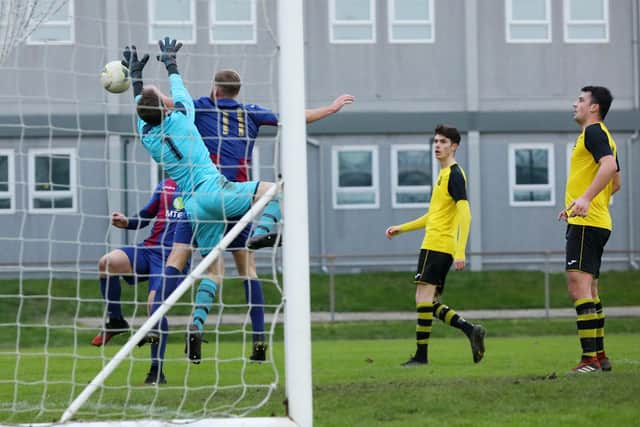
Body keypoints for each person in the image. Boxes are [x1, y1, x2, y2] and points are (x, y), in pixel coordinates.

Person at [164, 69, 354, 362]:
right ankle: (259, 343)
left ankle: (191, 323)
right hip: (240, 199)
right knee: (248, 272)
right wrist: (330, 108)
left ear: (215, 89)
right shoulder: (250, 113)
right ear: (237, 91)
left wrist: (146, 87)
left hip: (203, 196)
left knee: (208, 270)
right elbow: (293, 117)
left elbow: (168, 104)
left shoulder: (200, 106)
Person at [121, 37, 283, 366]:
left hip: (191, 205)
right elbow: (177, 91)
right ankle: (265, 229)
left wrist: (136, 81)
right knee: (278, 189)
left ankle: (182, 324)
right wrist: (170, 63)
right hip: (216, 191)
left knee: (211, 270)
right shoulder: (182, 116)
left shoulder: (146, 135)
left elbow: (143, 111)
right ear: (166, 108)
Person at [385, 124, 486, 366]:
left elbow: (466, 213)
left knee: (423, 298)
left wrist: (461, 251)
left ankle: (422, 356)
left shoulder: (454, 174)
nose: (437, 146)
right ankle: (469, 329)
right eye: (435, 141)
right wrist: (403, 228)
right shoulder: (442, 175)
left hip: (439, 246)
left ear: (454, 146)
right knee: (429, 302)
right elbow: (433, 216)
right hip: (434, 244)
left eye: (443, 142)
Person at [92, 178, 189, 385]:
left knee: (155, 308)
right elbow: (147, 214)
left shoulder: (203, 185)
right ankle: (116, 321)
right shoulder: (166, 183)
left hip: (174, 257)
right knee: (106, 263)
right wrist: (127, 222)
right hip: (148, 249)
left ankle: (156, 370)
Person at [558, 86, 621, 373]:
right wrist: (576, 204)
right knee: (591, 289)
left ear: (594, 108)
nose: (575, 104)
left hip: (587, 223)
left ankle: (589, 361)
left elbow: (608, 167)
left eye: (581, 100)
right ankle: (600, 356)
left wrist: (584, 199)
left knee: (578, 286)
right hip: (596, 220)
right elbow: (616, 182)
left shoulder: (593, 132)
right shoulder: (605, 136)